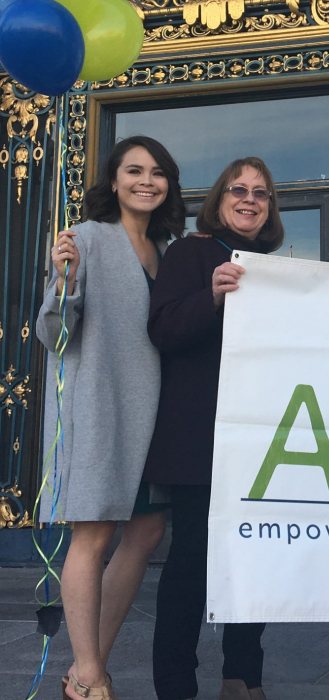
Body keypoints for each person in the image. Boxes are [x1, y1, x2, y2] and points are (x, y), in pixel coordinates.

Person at [35, 135, 186, 700]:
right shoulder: (88, 239)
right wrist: (62, 280)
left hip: (154, 410)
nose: (146, 181)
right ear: (114, 180)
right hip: (101, 405)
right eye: (133, 171)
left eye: (157, 172)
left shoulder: (168, 250)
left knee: (146, 530)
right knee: (94, 532)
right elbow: (56, 334)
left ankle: (83, 665)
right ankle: (91, 674)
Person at [143, 157, 284, 700]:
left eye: (262, 194)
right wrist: (213, 296)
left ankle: (243, 676)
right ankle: (176, 684)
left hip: (258, 439)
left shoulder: (271, 262)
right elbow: (163, 328)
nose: (250, 200)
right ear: (220, 198)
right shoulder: (190, 252)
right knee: (190, 567)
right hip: (199, 440)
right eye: (238, 190)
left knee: (254, 561)